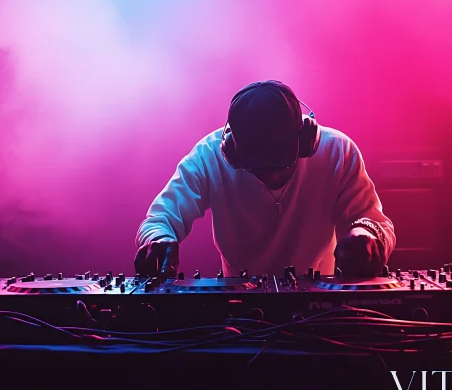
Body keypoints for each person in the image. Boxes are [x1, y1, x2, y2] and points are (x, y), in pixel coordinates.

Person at [134, 80, 395, 279]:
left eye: (282, 164)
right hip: (237, 311)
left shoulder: (338, 152)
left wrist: (366, 233)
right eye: (257, 167)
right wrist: (158, 240)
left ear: (306, 140)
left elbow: (374, 222)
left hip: (320, 308)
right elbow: (159, 220)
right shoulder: (208, 156)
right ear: (230, 150)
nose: (271, 175)